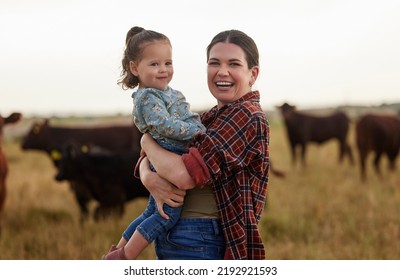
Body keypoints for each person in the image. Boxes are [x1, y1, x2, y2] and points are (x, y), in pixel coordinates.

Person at [138, 29, 270, 260]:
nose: (222, 71)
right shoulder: (209, 118)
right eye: (214, 63)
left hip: (203, 238)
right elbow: (156, 156)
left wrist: (145, 139)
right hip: (180, 233)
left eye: (234, 64)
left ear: (253, 74)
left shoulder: (246, 116)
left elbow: (183, 175)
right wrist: (148, 176)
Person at [102, 26, 206, 260]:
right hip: (169, 151)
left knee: (151, 209)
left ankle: (117, 250)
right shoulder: (148, 97)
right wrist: (198, 131)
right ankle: (125, 257)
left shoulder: (167, 92)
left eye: (168, 63)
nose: (163, 70)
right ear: (134, 67)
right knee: (167, 213)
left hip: (165, 151)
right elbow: (165, 125)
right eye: (154, 64)